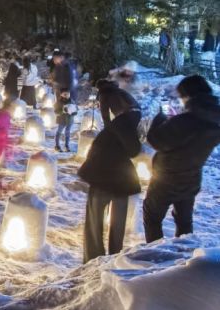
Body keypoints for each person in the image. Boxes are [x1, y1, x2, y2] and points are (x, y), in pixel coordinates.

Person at [143, 75, 220, 243]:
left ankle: (157, 257)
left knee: (152, 218)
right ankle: (184, 257)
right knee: (184, 222)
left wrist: (160, 120)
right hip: (192, 178)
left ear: (188, 95)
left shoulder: (187, 120)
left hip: (166, 180)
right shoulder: (214, 119)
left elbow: (156, 140)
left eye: (182, 96)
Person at [78, 100, 142, 263]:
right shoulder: (128, 128)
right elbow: (134, 150)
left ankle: (93, 257)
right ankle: (114, 254)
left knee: (94, 220)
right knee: (117, 223)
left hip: (100, 178)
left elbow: (94, 150)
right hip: (121, 181)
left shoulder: (112, 128)